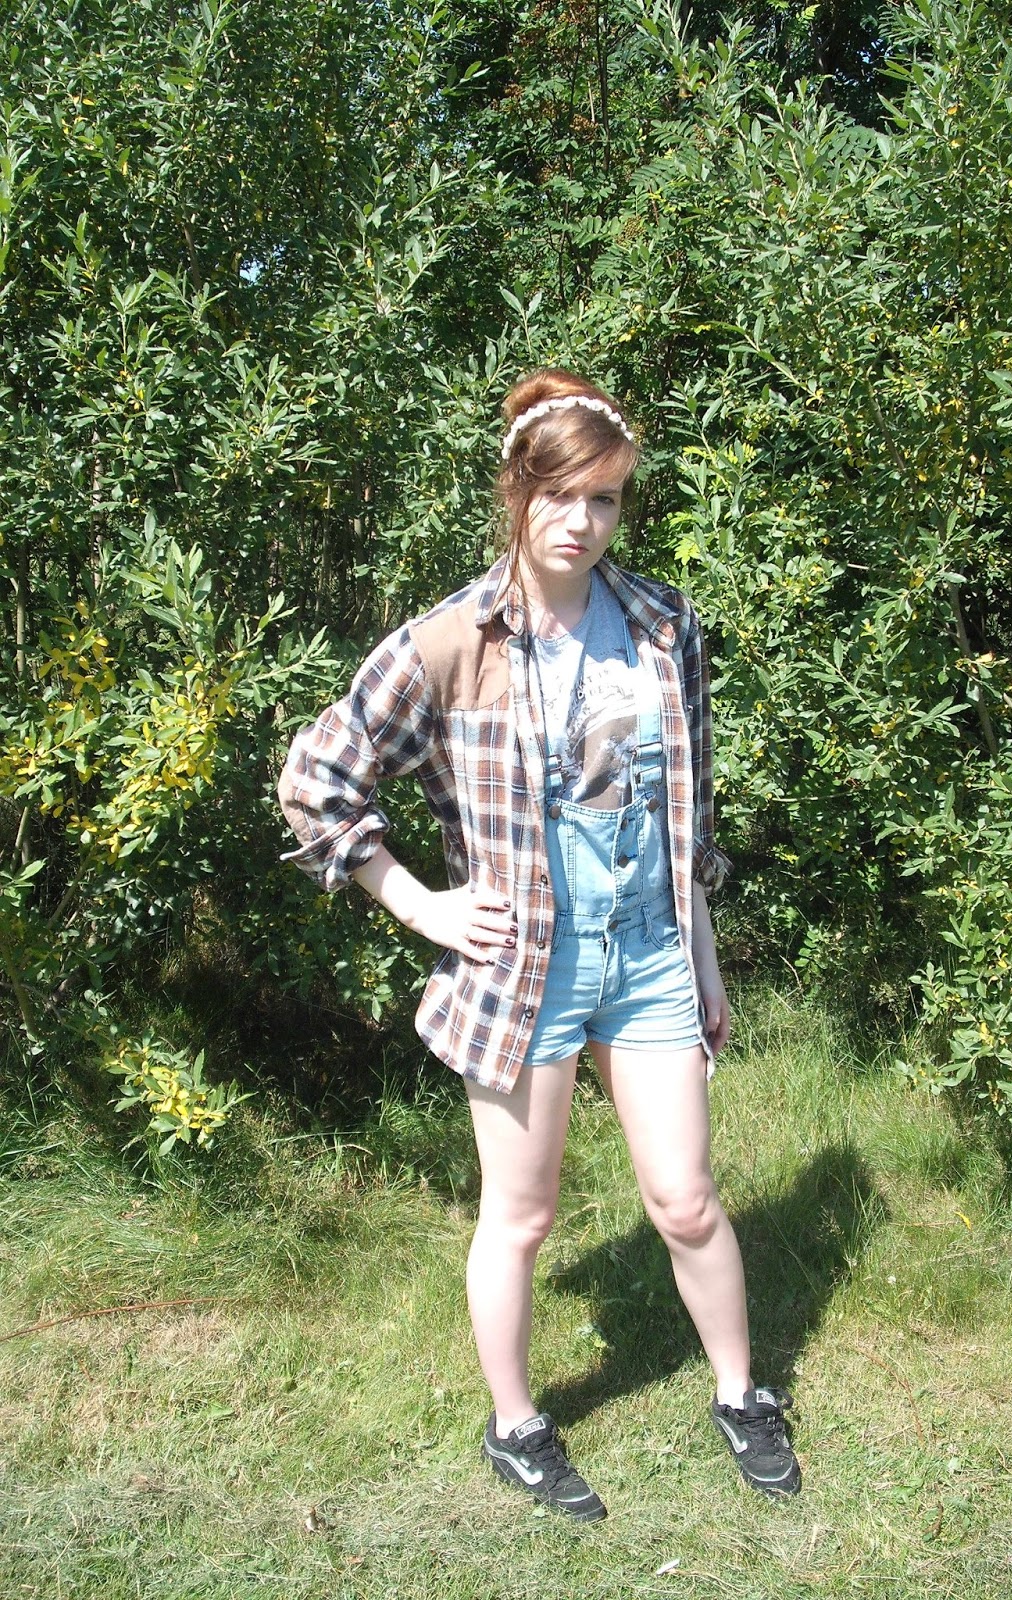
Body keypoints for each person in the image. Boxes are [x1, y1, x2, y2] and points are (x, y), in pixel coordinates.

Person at [278, 368, 800, 1521]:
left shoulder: (663, 623)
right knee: (521, 1216)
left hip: (651, 951)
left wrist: (705, 957)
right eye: (560, 494)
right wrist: (417, 903)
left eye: (605, 498)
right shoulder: (451, 641)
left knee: (687, 1199)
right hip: (528, 968)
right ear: (517, 492)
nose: (582, 520)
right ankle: (517, 1425)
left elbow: (687, 811)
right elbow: (317, 778)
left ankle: (741, 1393)